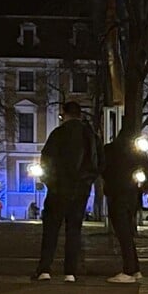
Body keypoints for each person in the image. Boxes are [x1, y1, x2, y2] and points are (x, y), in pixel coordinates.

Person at [34, 101, 98, 282]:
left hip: (58, 189)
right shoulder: (90, 135)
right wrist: (87, 182)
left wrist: (50, 182)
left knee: (51, 229)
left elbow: (46, 159)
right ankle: (70, 271)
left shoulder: (58, 134)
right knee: (74, 229)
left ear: (65, 114)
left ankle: (45, 269)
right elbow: (97, 162)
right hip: (80, 190)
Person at [102, 130, 143, 283]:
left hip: (116, 194)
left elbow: (103, 169)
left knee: (122, 233)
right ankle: (135, 268)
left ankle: (129, 270)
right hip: (131, 194)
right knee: (127, 232)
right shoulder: (135, 154)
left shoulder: (109, 151)